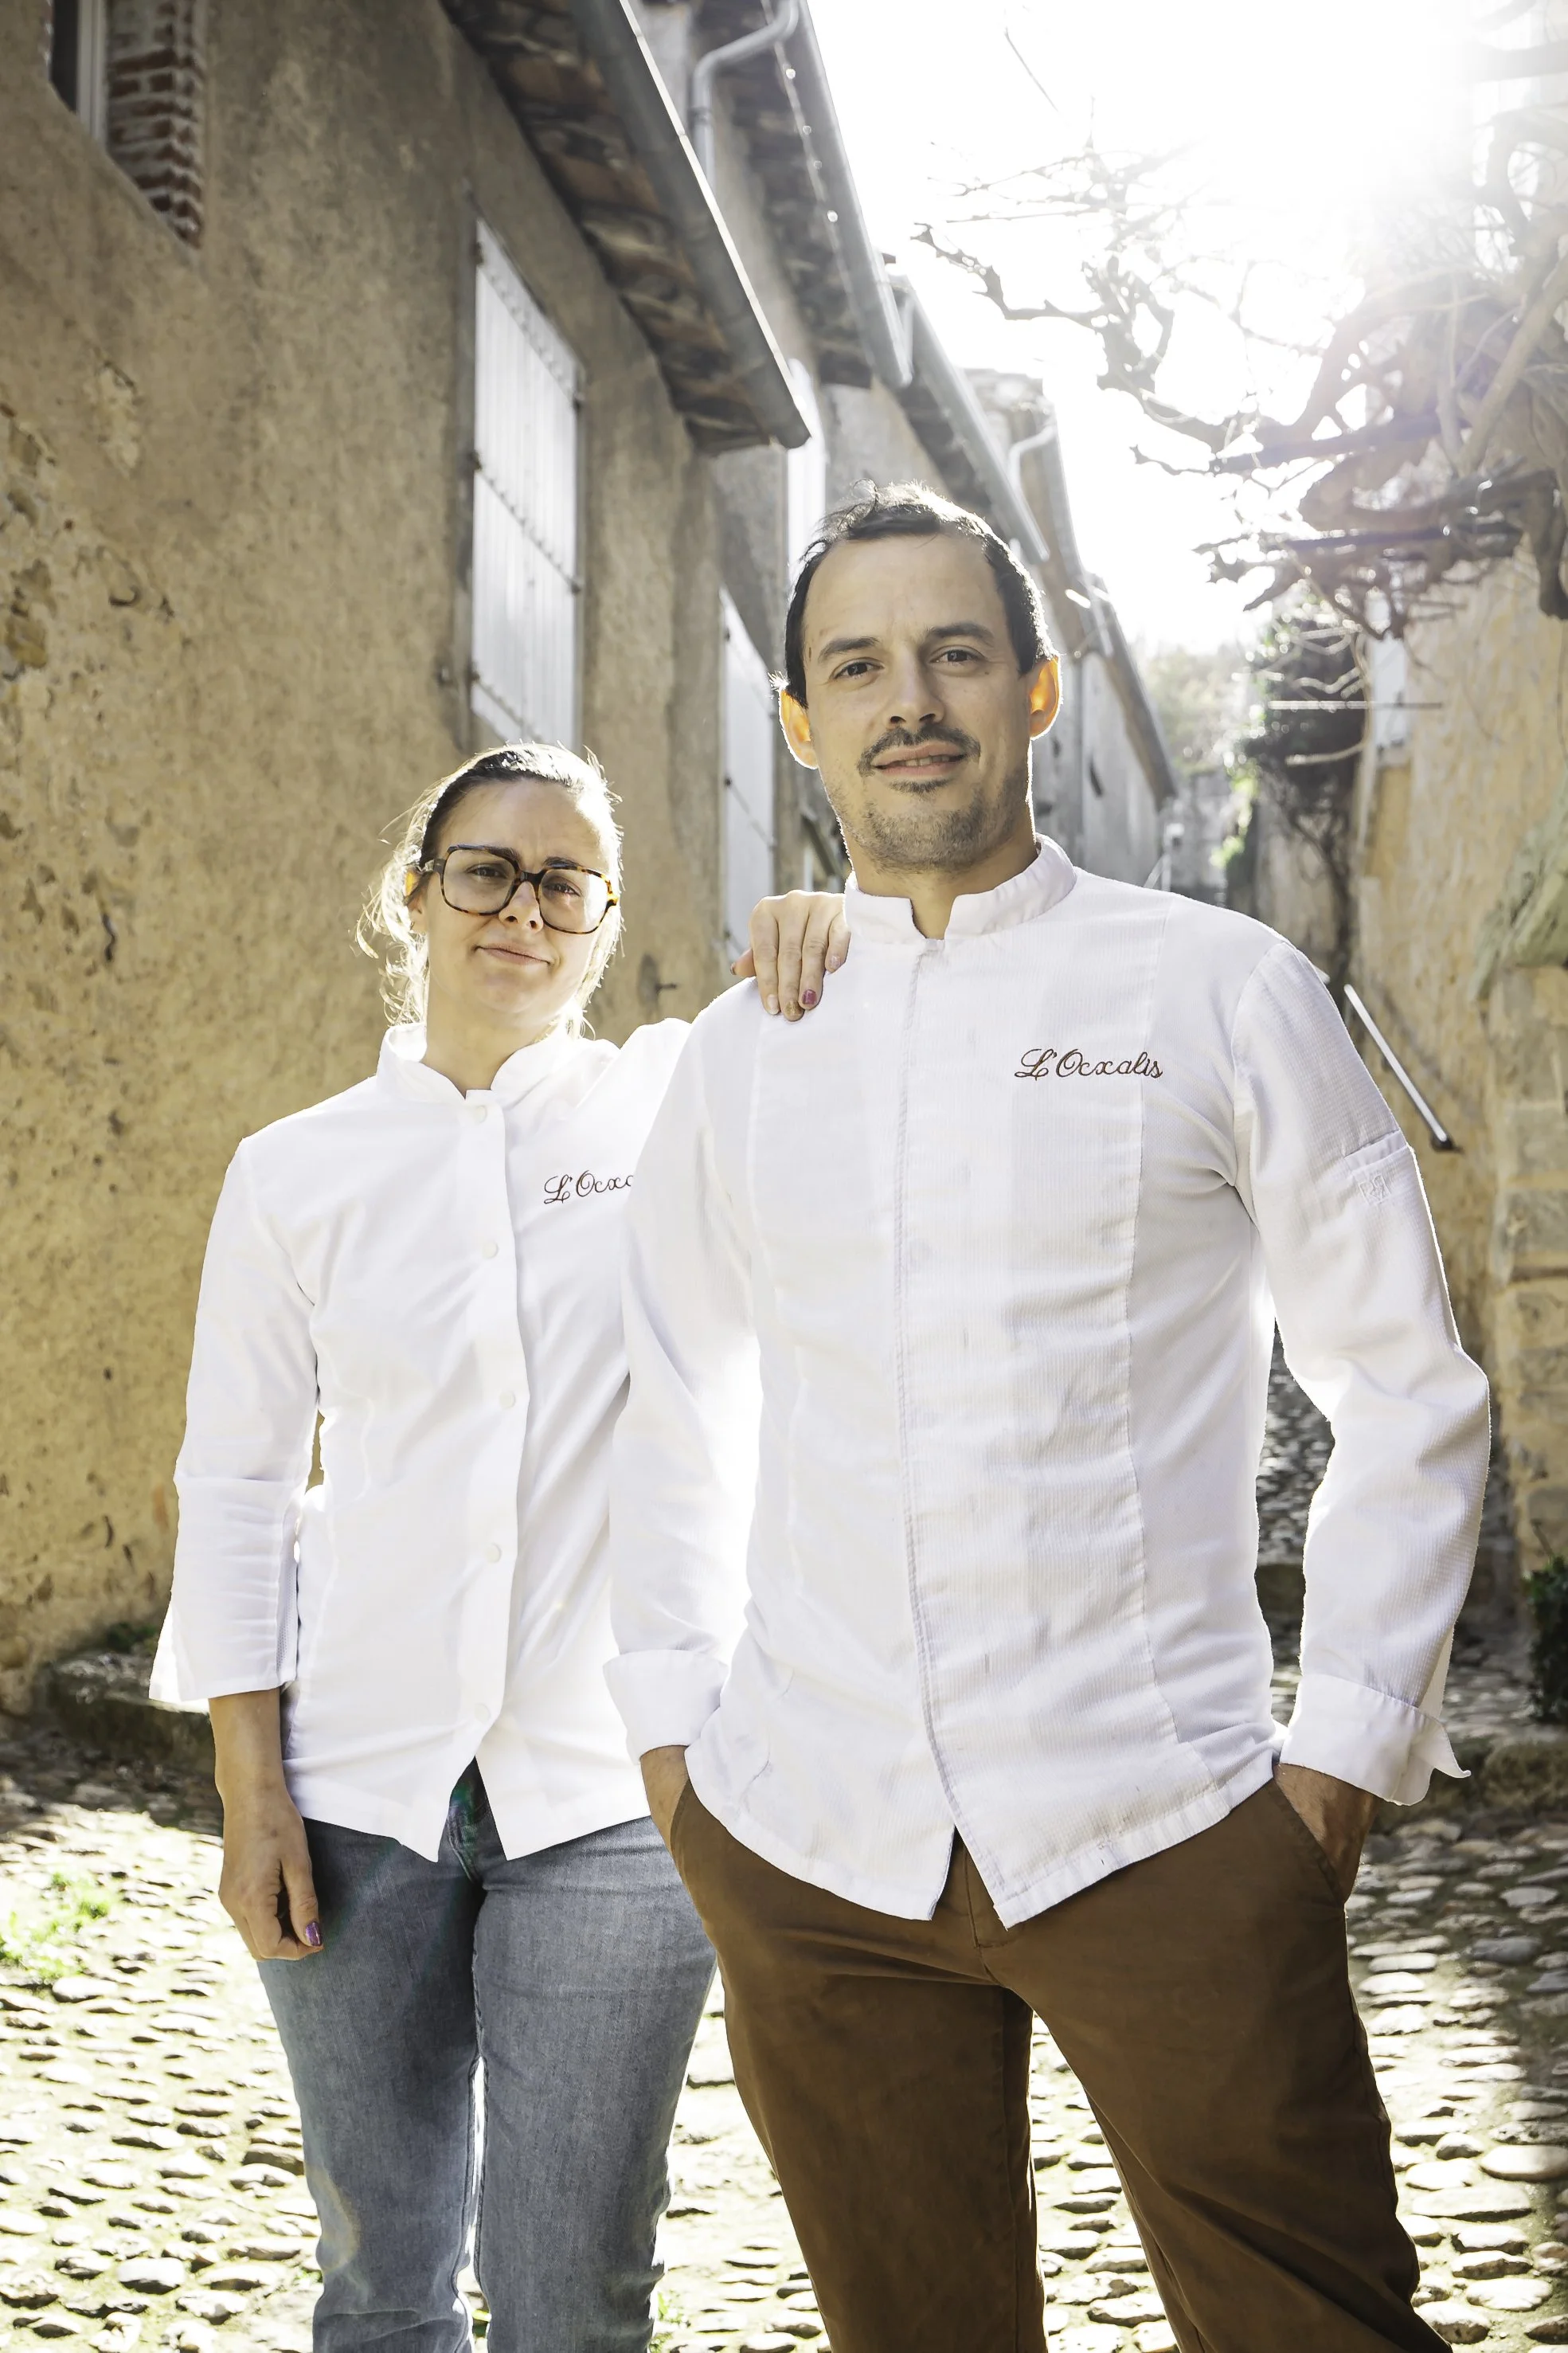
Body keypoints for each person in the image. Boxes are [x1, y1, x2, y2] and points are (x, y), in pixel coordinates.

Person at [606, 485, 1491, 2353]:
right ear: (800, 723)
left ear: (1039, 690)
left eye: (954, 654)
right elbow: (674, 1392)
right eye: (857, 664)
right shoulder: (740, 1049)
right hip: (813, 1843)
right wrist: (678, 1744)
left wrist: (1335, 1759)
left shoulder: (1218, 989)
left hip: (1157, 1817)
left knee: (1314, 2326)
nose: (908, 698)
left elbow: (1405, 1383)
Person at [151, 739, 847, 2353]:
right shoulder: (295, 1172)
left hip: (611, 1794)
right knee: (381, 2283)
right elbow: (239, 1483)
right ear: (415, 894)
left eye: (565, 883)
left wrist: (823, 922)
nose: (522, 910)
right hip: (352, 1788)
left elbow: (858, 1015)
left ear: (601, 926)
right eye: (486, 869)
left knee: (573, 2293)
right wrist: (252, 1794)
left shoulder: (672, 1097)